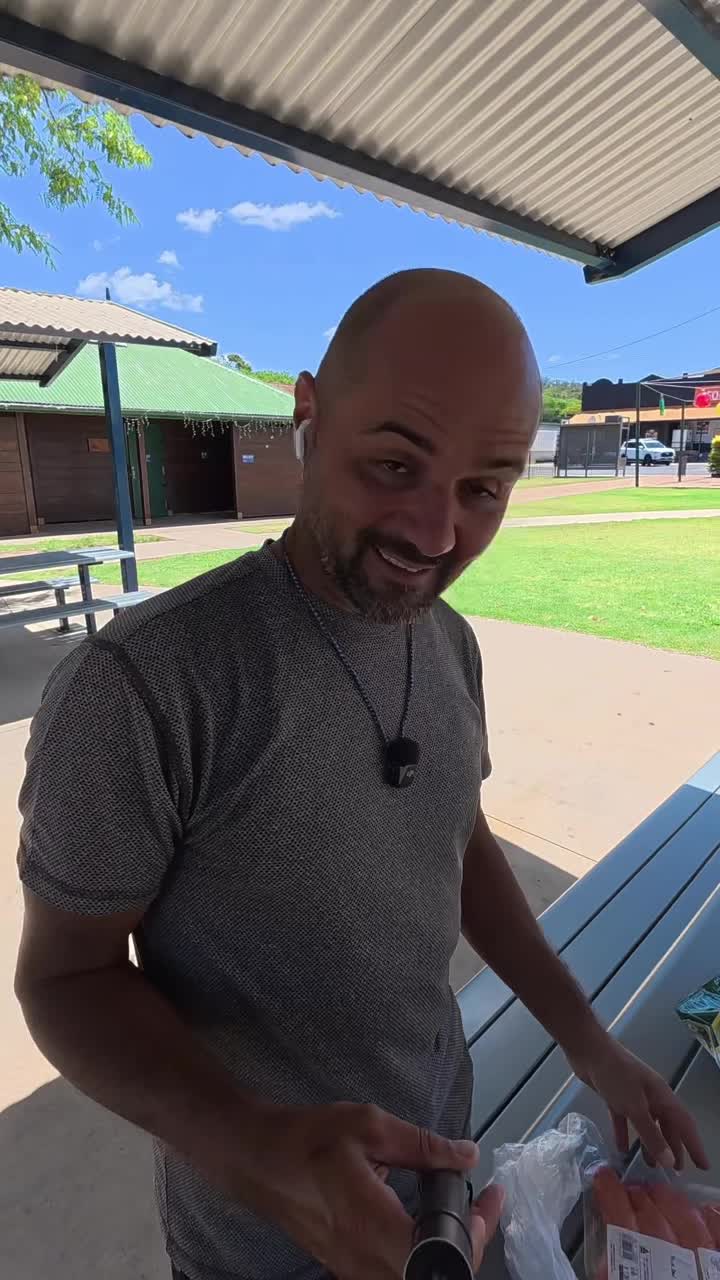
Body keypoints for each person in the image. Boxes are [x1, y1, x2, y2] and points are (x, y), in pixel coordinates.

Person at [15, 269, 706, 1280]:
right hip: (260, 1234)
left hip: (444, 1167)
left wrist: (586, 1038)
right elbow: (64, 978)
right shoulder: (144, 683)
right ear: (309, 418)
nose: (436, 535)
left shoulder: (451, 643)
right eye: (394, 464)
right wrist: (257, 1150)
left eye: (484, 488)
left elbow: (453, 836)